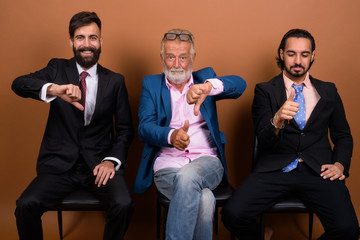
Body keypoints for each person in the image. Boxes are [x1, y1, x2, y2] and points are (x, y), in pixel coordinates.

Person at [221, 28, 360, 240]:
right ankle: (262, 236)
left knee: (348, 229)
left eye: (304, 54)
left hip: (318, 171)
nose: (298, 60)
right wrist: (277, 119)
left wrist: (340, 164)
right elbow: (264, 138)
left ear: (313, 56)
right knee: (232, 214)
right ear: (281, 54)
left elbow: (343, 136)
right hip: (275, 169)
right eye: (291, 53)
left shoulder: (329, 90)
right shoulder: (265, 90)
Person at [12, 11, 134, 240]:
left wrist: (111, 161)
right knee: (25, 205)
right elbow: (18, 84)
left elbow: (126, 130)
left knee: (124, 204)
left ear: (100, 41)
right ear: (71, 41)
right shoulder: (57, 69)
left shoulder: (115, 81)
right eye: (80, 38)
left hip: (99, 166)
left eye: (92, 38)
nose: (86, 44)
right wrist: (54, 89)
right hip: (59, 166)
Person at [133, 29, 246, 239]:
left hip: (207, 163)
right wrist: (171, 136)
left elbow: (240, 85)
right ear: (162, 58)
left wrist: (209, 87)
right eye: (170, 57)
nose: (176, 64)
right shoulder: (151, 84)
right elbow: (144, 128)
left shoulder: (204, 80)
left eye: (183, 57)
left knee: (188, 175)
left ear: (192, 58)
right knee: (204, 200)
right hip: (168, 165)